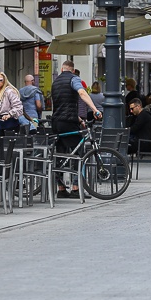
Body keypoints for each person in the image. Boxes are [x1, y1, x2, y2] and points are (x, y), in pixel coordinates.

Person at [50, 60, 103, 198]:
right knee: (79, 153)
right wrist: (95, 109)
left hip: (56, 122)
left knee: (60, 153)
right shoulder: (74, 79)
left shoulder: (55, 82)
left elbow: (61, 106)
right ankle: (75, 187)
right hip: (68, 122)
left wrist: (79, 119)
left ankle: (60, 188)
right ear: (73, 70)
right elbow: (82, 93)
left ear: (62, 69)